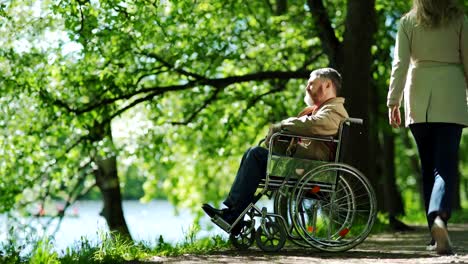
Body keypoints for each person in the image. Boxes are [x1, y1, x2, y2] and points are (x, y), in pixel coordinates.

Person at [203, 67, 349, 233]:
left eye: (311, 84)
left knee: (255, 155)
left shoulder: (334, 110)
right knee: (253, 154)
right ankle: (233, 214)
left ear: (328, 84)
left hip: (311, 169)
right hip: (304, 165)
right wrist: (278, 137)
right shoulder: (322, 110)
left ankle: (233, 215)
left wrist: (282, 126)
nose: (307, 88)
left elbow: (315, 126)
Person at [387, 0, 468, 255]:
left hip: (419, 96)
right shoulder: (460, 20)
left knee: (427, 167)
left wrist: (393, 102)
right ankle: (439, 216)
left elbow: (399, 64)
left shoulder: (407, 22)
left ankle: (434, 234)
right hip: (451, 95)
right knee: (444, 165)